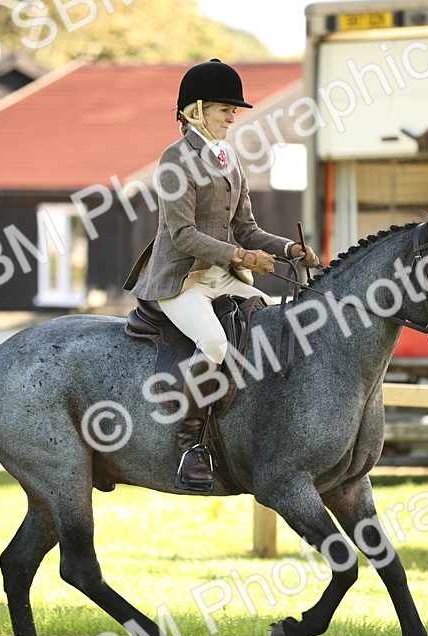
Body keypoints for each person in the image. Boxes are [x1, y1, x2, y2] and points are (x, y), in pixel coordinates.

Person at [129, 58, 319, 493]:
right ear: (194, 111)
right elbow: (181, 234)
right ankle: (190, 446)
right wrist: (242, 256)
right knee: (214, 343)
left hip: (222, 275)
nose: (234, 117)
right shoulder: (175, 160)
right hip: (180, 280)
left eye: (234, 111)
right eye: (224, 109)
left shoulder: (227, 157)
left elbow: (246, 228)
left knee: (277, 324)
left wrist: (287, 249)